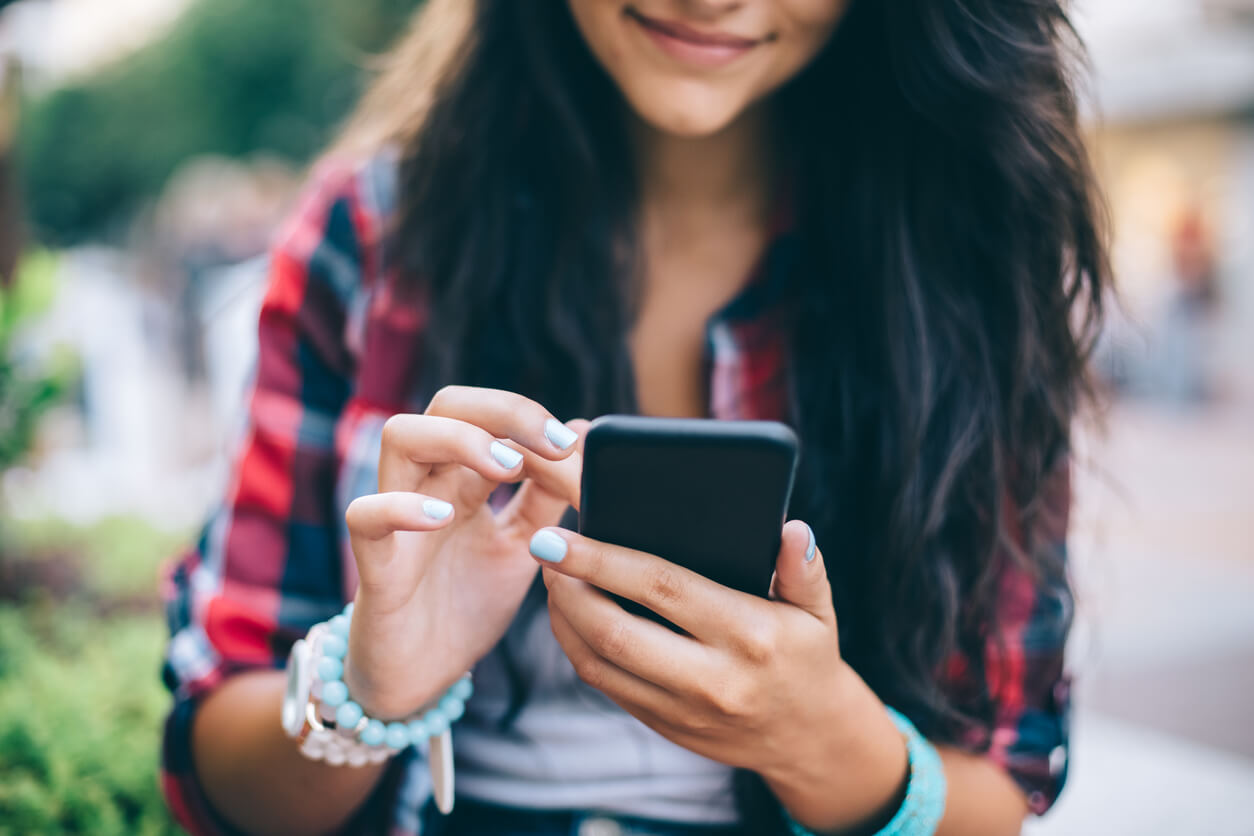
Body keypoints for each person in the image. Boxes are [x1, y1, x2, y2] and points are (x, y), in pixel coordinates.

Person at [160, 1, 1107, 834]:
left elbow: (998, 788)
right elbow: (217, 760)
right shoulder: (371, 239)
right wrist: (369, 688)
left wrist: (823, 737)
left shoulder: (972, 256)